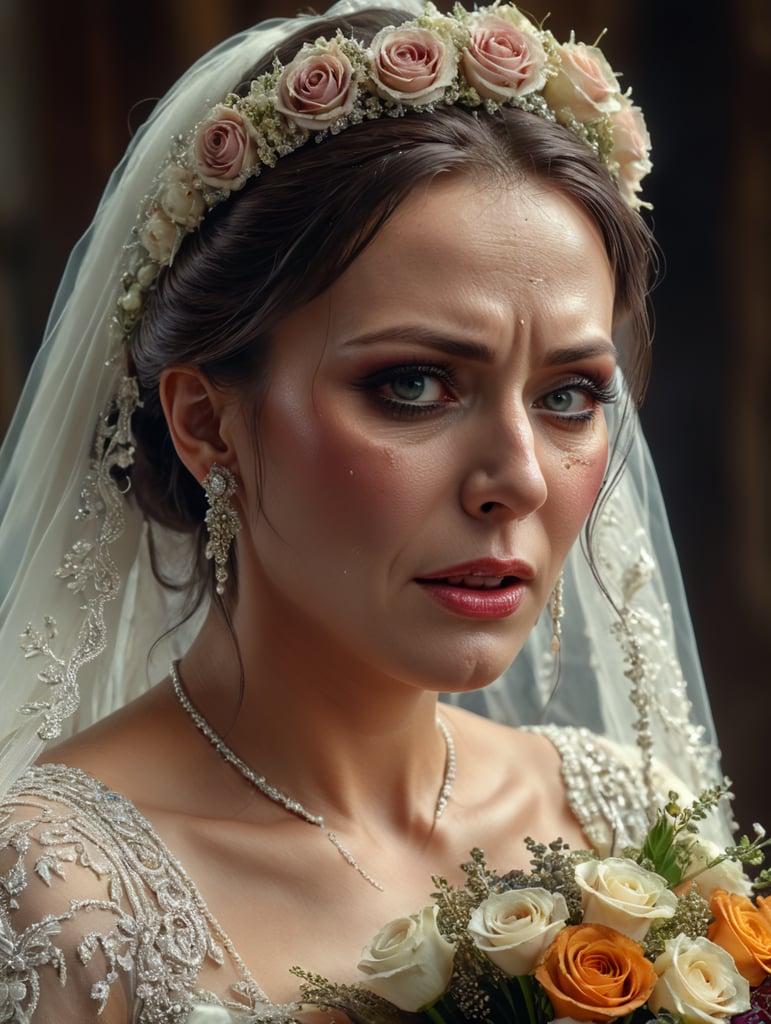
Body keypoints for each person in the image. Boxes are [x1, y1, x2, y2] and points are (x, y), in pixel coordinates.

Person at [0, 1, 730, 1021]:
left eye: (568, 395)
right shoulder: (57, 901)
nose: (516, 478)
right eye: (415, 386)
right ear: (207, 422)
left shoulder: (625, 822)